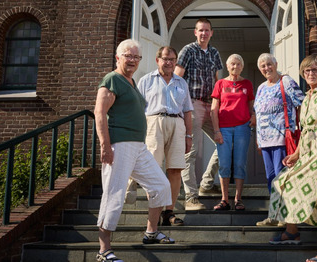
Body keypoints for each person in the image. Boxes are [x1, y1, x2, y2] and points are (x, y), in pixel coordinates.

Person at [94, 39, 175, 262]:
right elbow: (100, 113)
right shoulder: (112, 80)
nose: (132, 60)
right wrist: (105, 146)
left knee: (161, 185)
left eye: (136, 57)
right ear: (118, 57)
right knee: (114, 194)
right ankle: (104, 250)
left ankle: (150, 232)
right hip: (119, 145)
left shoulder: (131, 82)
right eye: (128, 55)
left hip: (139, 147)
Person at [267, 54, 317, 262]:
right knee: (286, 181)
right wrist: (296, 154)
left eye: (314, 70)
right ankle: (292, 231)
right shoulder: (307, 97)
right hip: (308, 150)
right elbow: (305, 128)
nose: (310, 74)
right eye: (307, 71)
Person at [137, 46, 193, 226]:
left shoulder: (181, 83)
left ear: (176, 61)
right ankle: (155, 211)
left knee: (175, 169)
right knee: (152, 169)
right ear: (157, 60)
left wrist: (189, 135)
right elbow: (137, 110)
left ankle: (169, 212)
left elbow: (188, 111)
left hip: (177, 124)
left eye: (172, 59)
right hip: (153, 122)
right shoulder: (146, 81)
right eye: (165, 59)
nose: (169, 62)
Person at [175, 17, 224, 210]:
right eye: (200, 30)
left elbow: (217, 80)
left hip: (211, 105)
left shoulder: (214, 53)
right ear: (195, 32)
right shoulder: (188, 50)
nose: (204, 33)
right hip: (193, 104)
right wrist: (181, 106)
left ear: (211, 33)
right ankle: (191, 197)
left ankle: (206, 184)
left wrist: (219, 105)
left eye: (207, 30)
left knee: (225, 142)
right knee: (191, 152)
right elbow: (177, 78)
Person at [253, 53, 305, 226]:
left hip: (282, 138)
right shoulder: (260, 87)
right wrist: (258, 139)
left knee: (282, 178)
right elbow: (258, 115)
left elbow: (302, 102)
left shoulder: (286, 81)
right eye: (263, 66)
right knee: (271, 179)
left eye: (269, 64)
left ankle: (285, 216)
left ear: (276, 64)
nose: (266, 68)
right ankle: (274, 215)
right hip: (265, 140)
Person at [210, 54, 255, 211]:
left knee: (239, 163)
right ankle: (224, 199)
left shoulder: (247, 84)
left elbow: (251, 107)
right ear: (227, 67)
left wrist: (254, 116)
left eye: (238, 64)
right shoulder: (220, 84)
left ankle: (238, 199)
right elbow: (213, 110)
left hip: (242, 127)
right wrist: (216, 131)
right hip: (224, 128)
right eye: (232, 64)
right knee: (224, 163)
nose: (235, 67)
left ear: (242, 67)